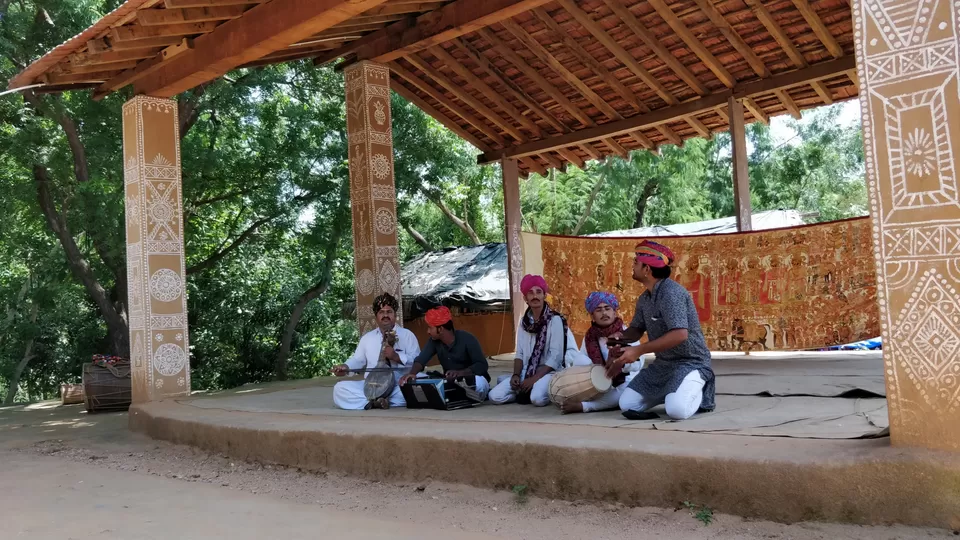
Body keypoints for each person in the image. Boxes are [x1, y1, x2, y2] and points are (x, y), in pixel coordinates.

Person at [607, 240, 716, 420]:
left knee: (676, 411)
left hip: (690, 362)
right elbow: (637, 329)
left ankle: (697, 389)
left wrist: (639, 350)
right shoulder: (645, 298)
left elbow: (680, 334)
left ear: (647, 269)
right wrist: (621, 338)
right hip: (664, 365)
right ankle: (675, 392)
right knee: (627, 404)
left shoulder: (671, 293)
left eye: (636, 262)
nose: (632, 266)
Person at [489, 274, 569, 406]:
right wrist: (516, 375)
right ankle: (521, 391)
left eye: (538, 292)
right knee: (494, 396)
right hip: (527, 371)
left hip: (549, 372)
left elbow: (556, 357)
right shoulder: (524, 322)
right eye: (530, 293)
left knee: (537, 399)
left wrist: (534, 379)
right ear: (525, 298)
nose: (535, 296)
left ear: (544, 295)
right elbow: (519, 353)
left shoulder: (554, 320)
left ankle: (534, 390)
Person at [332, 293, 421, 410]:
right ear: (376, 316)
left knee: (419, 386)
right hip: (372, 385)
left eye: (389, 312)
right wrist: (345, 367)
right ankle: (377, 401)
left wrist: (396, 356)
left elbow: (418, 361)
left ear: (395, 315)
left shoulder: (407, 335)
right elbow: (357, 360)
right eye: (381, 312)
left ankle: (371, 401)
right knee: (339, 389)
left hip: (397, 385)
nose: (385, 315)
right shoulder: (367, 338)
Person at [559, 291, 642, 414]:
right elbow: (581, 362)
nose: (604, 313)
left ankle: (585, 406)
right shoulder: (590, 337)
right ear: (592, 316)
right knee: (579, 360)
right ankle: (592, 398)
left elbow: (637, 365)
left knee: (625, 395)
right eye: (598, 310)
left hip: (625, 382)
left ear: (614, 312)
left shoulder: (627, 333)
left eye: (607, 308)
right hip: (600, 383)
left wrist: (619, 363)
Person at [399, 306, 491, 401]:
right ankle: (459, 396)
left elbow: (482, 365)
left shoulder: (467, 338)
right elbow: (421, 360)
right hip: (451, 382)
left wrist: (461, 373)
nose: (428, 332)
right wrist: (412, 373)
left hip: (472, 381)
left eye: (430, 328)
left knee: (479, 383)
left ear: (441, 329)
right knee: (418, 378)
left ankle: (462, 396)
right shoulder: (434, 341)